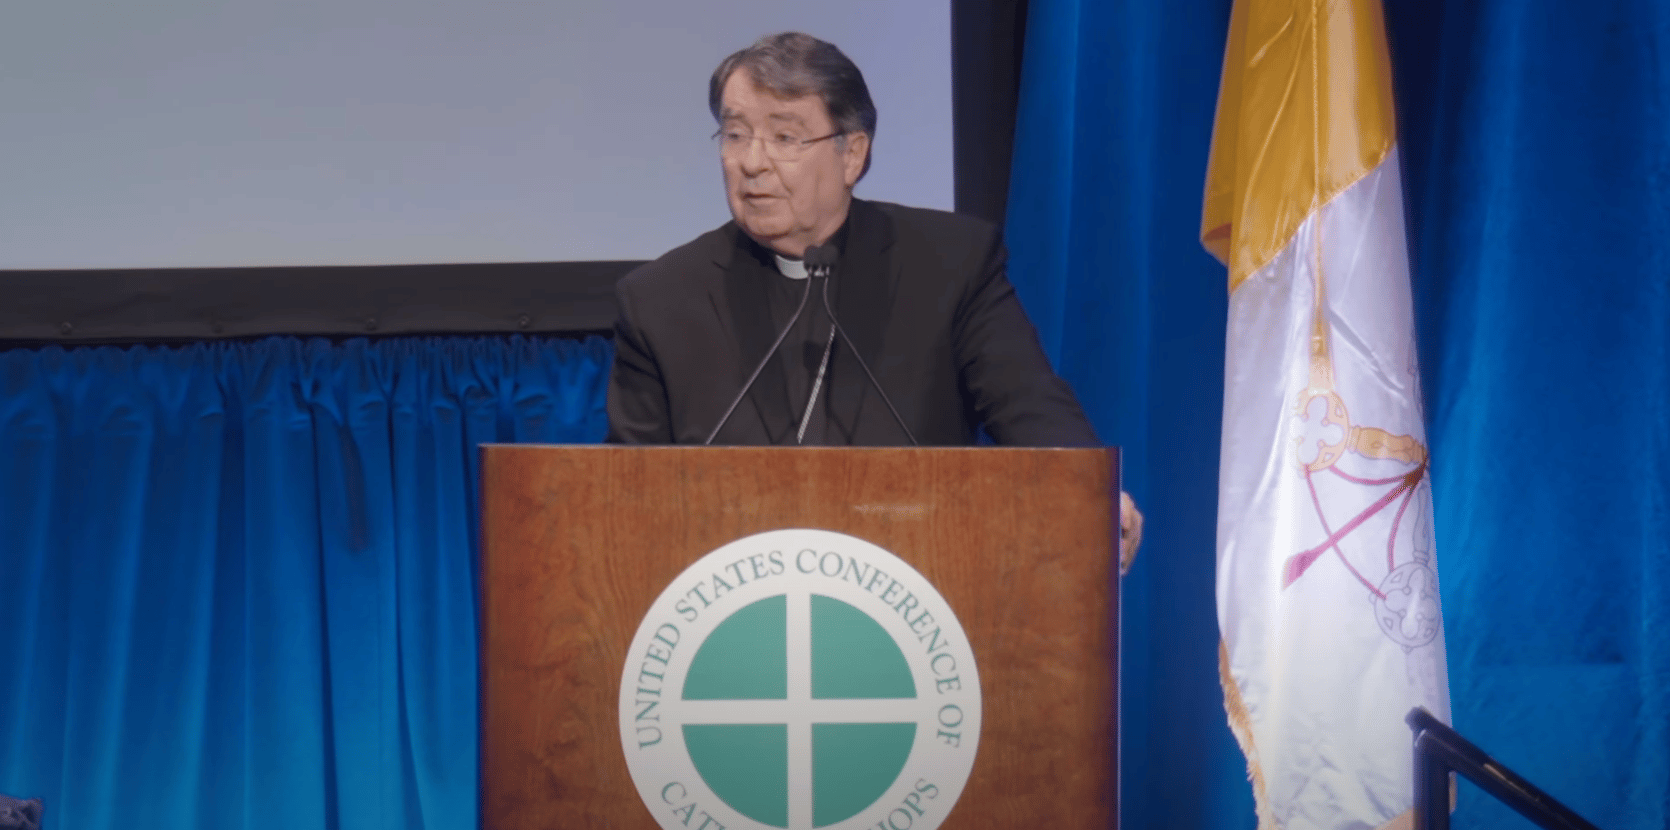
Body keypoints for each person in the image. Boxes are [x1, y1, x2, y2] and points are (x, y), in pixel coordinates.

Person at [606, 32, 1142, 566]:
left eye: (785, 138)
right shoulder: (660, 301)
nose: (752, 162)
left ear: (852, 154)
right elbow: (626, 499)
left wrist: (1088, 497)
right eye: (735, 134)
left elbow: (1028, 406)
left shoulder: (949, 264)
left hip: (919, 578)